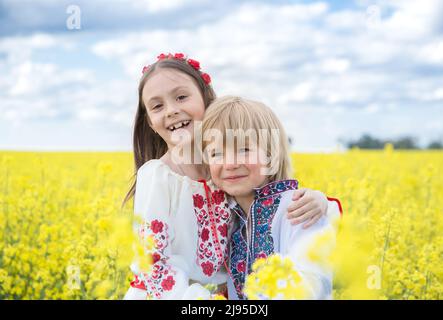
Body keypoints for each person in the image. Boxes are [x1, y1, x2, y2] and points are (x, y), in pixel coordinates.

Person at [122, 53, 337, 299]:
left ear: (207, 100)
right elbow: (152, 262)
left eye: (181, 97)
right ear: (150, 122)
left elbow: (276, 205)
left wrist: (319, 200)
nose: (171, 110)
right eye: (157, 106)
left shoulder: (222, 176)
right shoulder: (158, 176)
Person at [201, 96, 342, 299]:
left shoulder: (302, 207)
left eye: (244, 150)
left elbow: (314, 284)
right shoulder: (222, 215)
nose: (229, 164)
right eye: (216, 153)